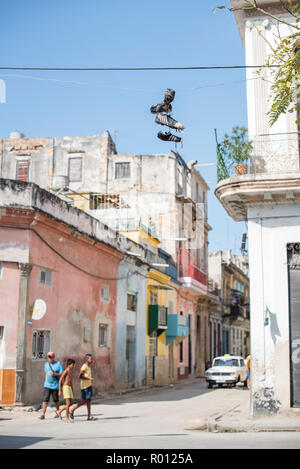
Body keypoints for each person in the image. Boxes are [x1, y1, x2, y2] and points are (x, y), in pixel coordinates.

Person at [70, 354, 96, 421]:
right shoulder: (84, 366)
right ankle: (72, 409)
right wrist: (89, 378)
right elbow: (80, 376)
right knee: (85, 400)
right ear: (87, 359)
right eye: (91, 359)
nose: (92, 360)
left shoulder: (88, 367)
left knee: (88, 400)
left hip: (88, 385)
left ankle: (89, 416)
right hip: (85, 386)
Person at [39, 351, 63, 420]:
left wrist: (55, 374)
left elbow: (61, 373)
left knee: (56, 400)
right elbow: (46, 373)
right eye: (49, 357)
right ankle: (43, 414)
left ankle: (58, 412)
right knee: (45, 400)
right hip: (47, 385)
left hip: (55, 385)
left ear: (54, 357)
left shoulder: (58, 364)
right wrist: (46, 381)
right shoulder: (46, 365)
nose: (50, 358)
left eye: (51, 357)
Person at [57, 358, 75, 423]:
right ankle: (67, 418)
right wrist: (59, 390)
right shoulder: (66, 371)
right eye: (73, 364)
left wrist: (72, 390)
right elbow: (60, 380)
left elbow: (71, 381)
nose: (73, 366)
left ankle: (59, 411)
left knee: (72, 403)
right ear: (69, 365)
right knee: (68, 403)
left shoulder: (71, 371)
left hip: (69, 388)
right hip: (66, 387)